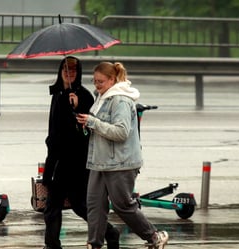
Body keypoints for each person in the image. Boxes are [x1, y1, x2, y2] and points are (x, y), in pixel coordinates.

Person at [76, 62, 169, 249]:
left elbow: (121, 132)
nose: (97, 85)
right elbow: (100, 129)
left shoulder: (120, 100)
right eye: (94, 81)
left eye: (101, 81)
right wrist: (87, 125)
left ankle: (154, 236)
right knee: (94, 206)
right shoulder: (101, 97)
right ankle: (94, 244)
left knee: (123, 206)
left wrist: (93, 123)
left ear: (112, 80)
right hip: (99, 161)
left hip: (121, 163)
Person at [42, 56, 120, 249]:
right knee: (55, 205)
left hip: (75, 160)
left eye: (74, 71)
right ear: (60, 72)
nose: (70, 74)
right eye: (66, 70)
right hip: (57, 158)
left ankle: (110, 232)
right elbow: (54, 130)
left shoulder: (84, 96)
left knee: (77, 205)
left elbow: (86, 129)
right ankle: (52, 244)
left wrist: (77, 108)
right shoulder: (58, 94)